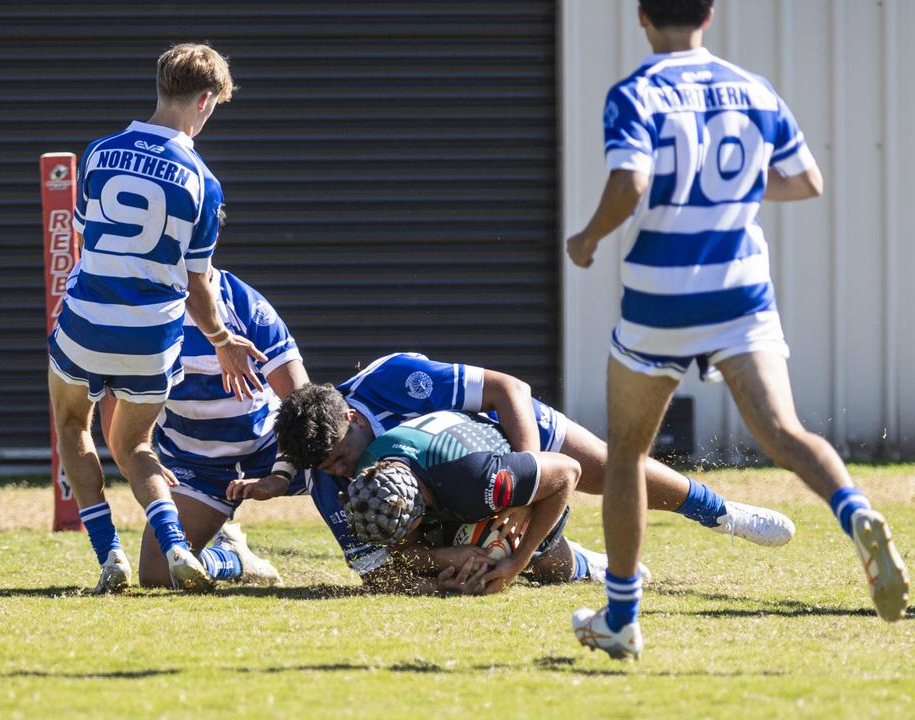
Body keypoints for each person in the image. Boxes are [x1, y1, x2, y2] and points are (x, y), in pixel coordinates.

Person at [564, 0, 908, 659]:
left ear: (641, 16)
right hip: (740, 288)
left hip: (662, 292)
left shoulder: (637, 91)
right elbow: (806, 180)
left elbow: (631, 180)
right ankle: (855, 510)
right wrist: (736, 191)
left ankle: (621, 618)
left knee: (629, 456)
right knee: (784, 431)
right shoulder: (754, 89)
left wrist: (587, 238)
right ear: (710, 15)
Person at [264, 352, 794, 581]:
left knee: (609, 468)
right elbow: (382, 568)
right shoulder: (325, 480)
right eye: (326, 469)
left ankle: (723, 513)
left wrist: (524, 483)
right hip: (454, 491)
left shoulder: (392, 380)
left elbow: (507, 389)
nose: (339, 472)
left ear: (354, 417)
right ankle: (583, 564)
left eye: (339, 457)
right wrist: (459, 559)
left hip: (501, 439)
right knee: (504, 557)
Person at [47, 43, 265, 594]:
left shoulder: (99, 153)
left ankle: (109, 557)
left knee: (75, 427)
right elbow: (197, 283)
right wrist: (221, 339)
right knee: (137, 445)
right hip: (152, 335)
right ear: (207, 100)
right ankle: (174, 546)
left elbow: (87, 240)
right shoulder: (203, 182)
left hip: (87, 320)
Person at [343, 410, 645, 595]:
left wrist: (517, 561)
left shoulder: (476, 479)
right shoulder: (370, 474)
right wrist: (450, 559)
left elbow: (568, 471)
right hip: (451, 484)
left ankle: (586, 565)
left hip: (508, 483)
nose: (397, 546)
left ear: (420, 513)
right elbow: (404, 554)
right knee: (452, 565)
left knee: (535, 565)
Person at [136, 265, 308, 588]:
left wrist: (282, 473)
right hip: (197, 466)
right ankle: (232, 559)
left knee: (342, 461)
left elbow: (301, 401)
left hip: (272, 447)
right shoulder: (143, 310)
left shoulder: (243, 304)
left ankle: (385, 562)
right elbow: (118, 402)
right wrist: (142, 456)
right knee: (159, 576)